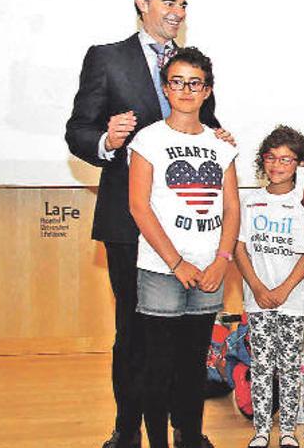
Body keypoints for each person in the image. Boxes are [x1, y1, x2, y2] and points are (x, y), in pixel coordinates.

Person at [64, 0, 231, 448]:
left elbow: (203, 122)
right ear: (142, 3)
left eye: (183, 3)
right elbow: (78, 130)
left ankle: (186, 429)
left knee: (188, 334)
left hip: (191, 227)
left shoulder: (190, 66)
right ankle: (128, 429)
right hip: (129, 221)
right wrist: (106, 139)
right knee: (134, 333)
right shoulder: (107, 59)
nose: (177, 11)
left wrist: (219, 135)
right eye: (168, 1)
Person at [128, 47, 239, 448]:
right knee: (158, 367)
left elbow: (231, 206)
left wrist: (223, 260)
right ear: (165, 88)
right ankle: (157, 441)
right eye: (177, 82)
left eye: (195, 83)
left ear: (207, 90)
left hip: (209, 270)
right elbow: (138, 206)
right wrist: (175, 263)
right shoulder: (148, 139)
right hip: (162, 271)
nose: (186, 90)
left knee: (194, 367)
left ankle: (189, 437)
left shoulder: (221, 144)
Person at [234, 125, 304, 448]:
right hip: (258, 300)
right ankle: (261, 430)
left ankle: (287, 431)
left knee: (289, 366)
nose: (277, 165)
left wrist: (284, 289)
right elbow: (239, 248)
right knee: (261, 365)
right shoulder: (250, 200)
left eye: (286, 159)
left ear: (299, 163)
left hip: (292, 300)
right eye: (271, 158)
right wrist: (256, 286)